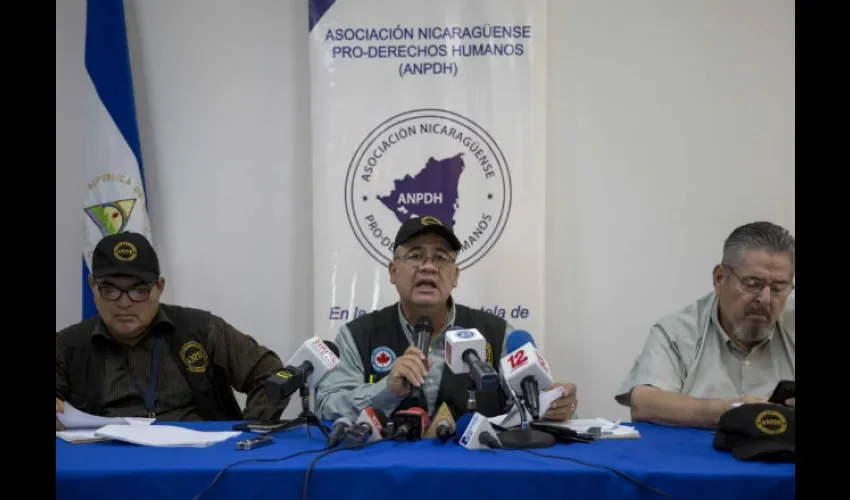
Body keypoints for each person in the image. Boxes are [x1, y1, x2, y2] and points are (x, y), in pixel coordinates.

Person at [315, 216, 578, 424]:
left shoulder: (497, 334)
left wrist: (553, 405)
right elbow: (327, 407)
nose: (428, 267)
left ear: (455, 276)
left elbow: (526, 408)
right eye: (415, 255)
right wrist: (386, 390)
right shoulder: (357, 335)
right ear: (393, 271)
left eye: (441, 258)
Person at [56, 232, 290, 429]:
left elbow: (270, 371)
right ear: (92, 287)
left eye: (139, 291)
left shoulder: (202, 330)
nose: (125, 303)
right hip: (108, 465)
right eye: (110, 290)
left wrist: (248, 431)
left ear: (159, 287)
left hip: (198, 462)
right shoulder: (67, 347)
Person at [615, 221, 795, 428]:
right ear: (719, 278)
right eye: (752, 284)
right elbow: (645, 403)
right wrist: (732, 411)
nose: (765, 299)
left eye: (778, 287)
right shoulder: (678, 331)